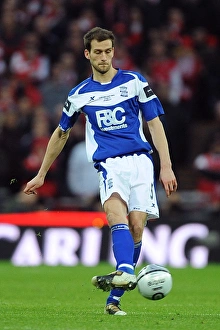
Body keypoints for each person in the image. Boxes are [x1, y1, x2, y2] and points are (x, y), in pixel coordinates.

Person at [24, 27, 177, 316]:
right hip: (109, 163)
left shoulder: (134, 82)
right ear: (87, 54)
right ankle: (124, 271)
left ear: (113, 51)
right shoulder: (79, 94)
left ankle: (114, 299)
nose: (104, 56)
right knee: (115, 215)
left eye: (108, 51)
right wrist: (42, 173)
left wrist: (166, 166)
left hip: (141, 162)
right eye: (98, 52)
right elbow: (60, 133)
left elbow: (155, 124)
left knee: (137, 227)